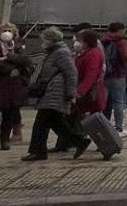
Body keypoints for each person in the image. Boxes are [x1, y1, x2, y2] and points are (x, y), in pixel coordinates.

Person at [22, 27, 85, 161]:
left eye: (44, 39)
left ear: (51, 39)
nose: (42, 42)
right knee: (56, 123)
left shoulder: (61, 53)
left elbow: (71, 73)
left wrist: (71, 93)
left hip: (55, 93)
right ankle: (80, 142)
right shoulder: (54, 52)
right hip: (52, 92)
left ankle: (38, 151)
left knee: (41, 123)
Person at [0, 23, 31, 151]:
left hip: (11, 87)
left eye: (10, 30)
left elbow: (25, 61)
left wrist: (9, 57)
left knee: (8, 114)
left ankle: (5, 140)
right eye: (4, 30)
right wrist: (10, 68)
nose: (7, 32)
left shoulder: (17, 47)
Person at [100, 22, 127, 137]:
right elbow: (126, 56)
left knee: (103, 102)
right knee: (118, 102)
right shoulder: (121, 42)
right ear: (120, 30)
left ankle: (102, 126)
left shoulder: (102, 40)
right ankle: (119, 128)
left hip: (104, 75)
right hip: (118, 75)